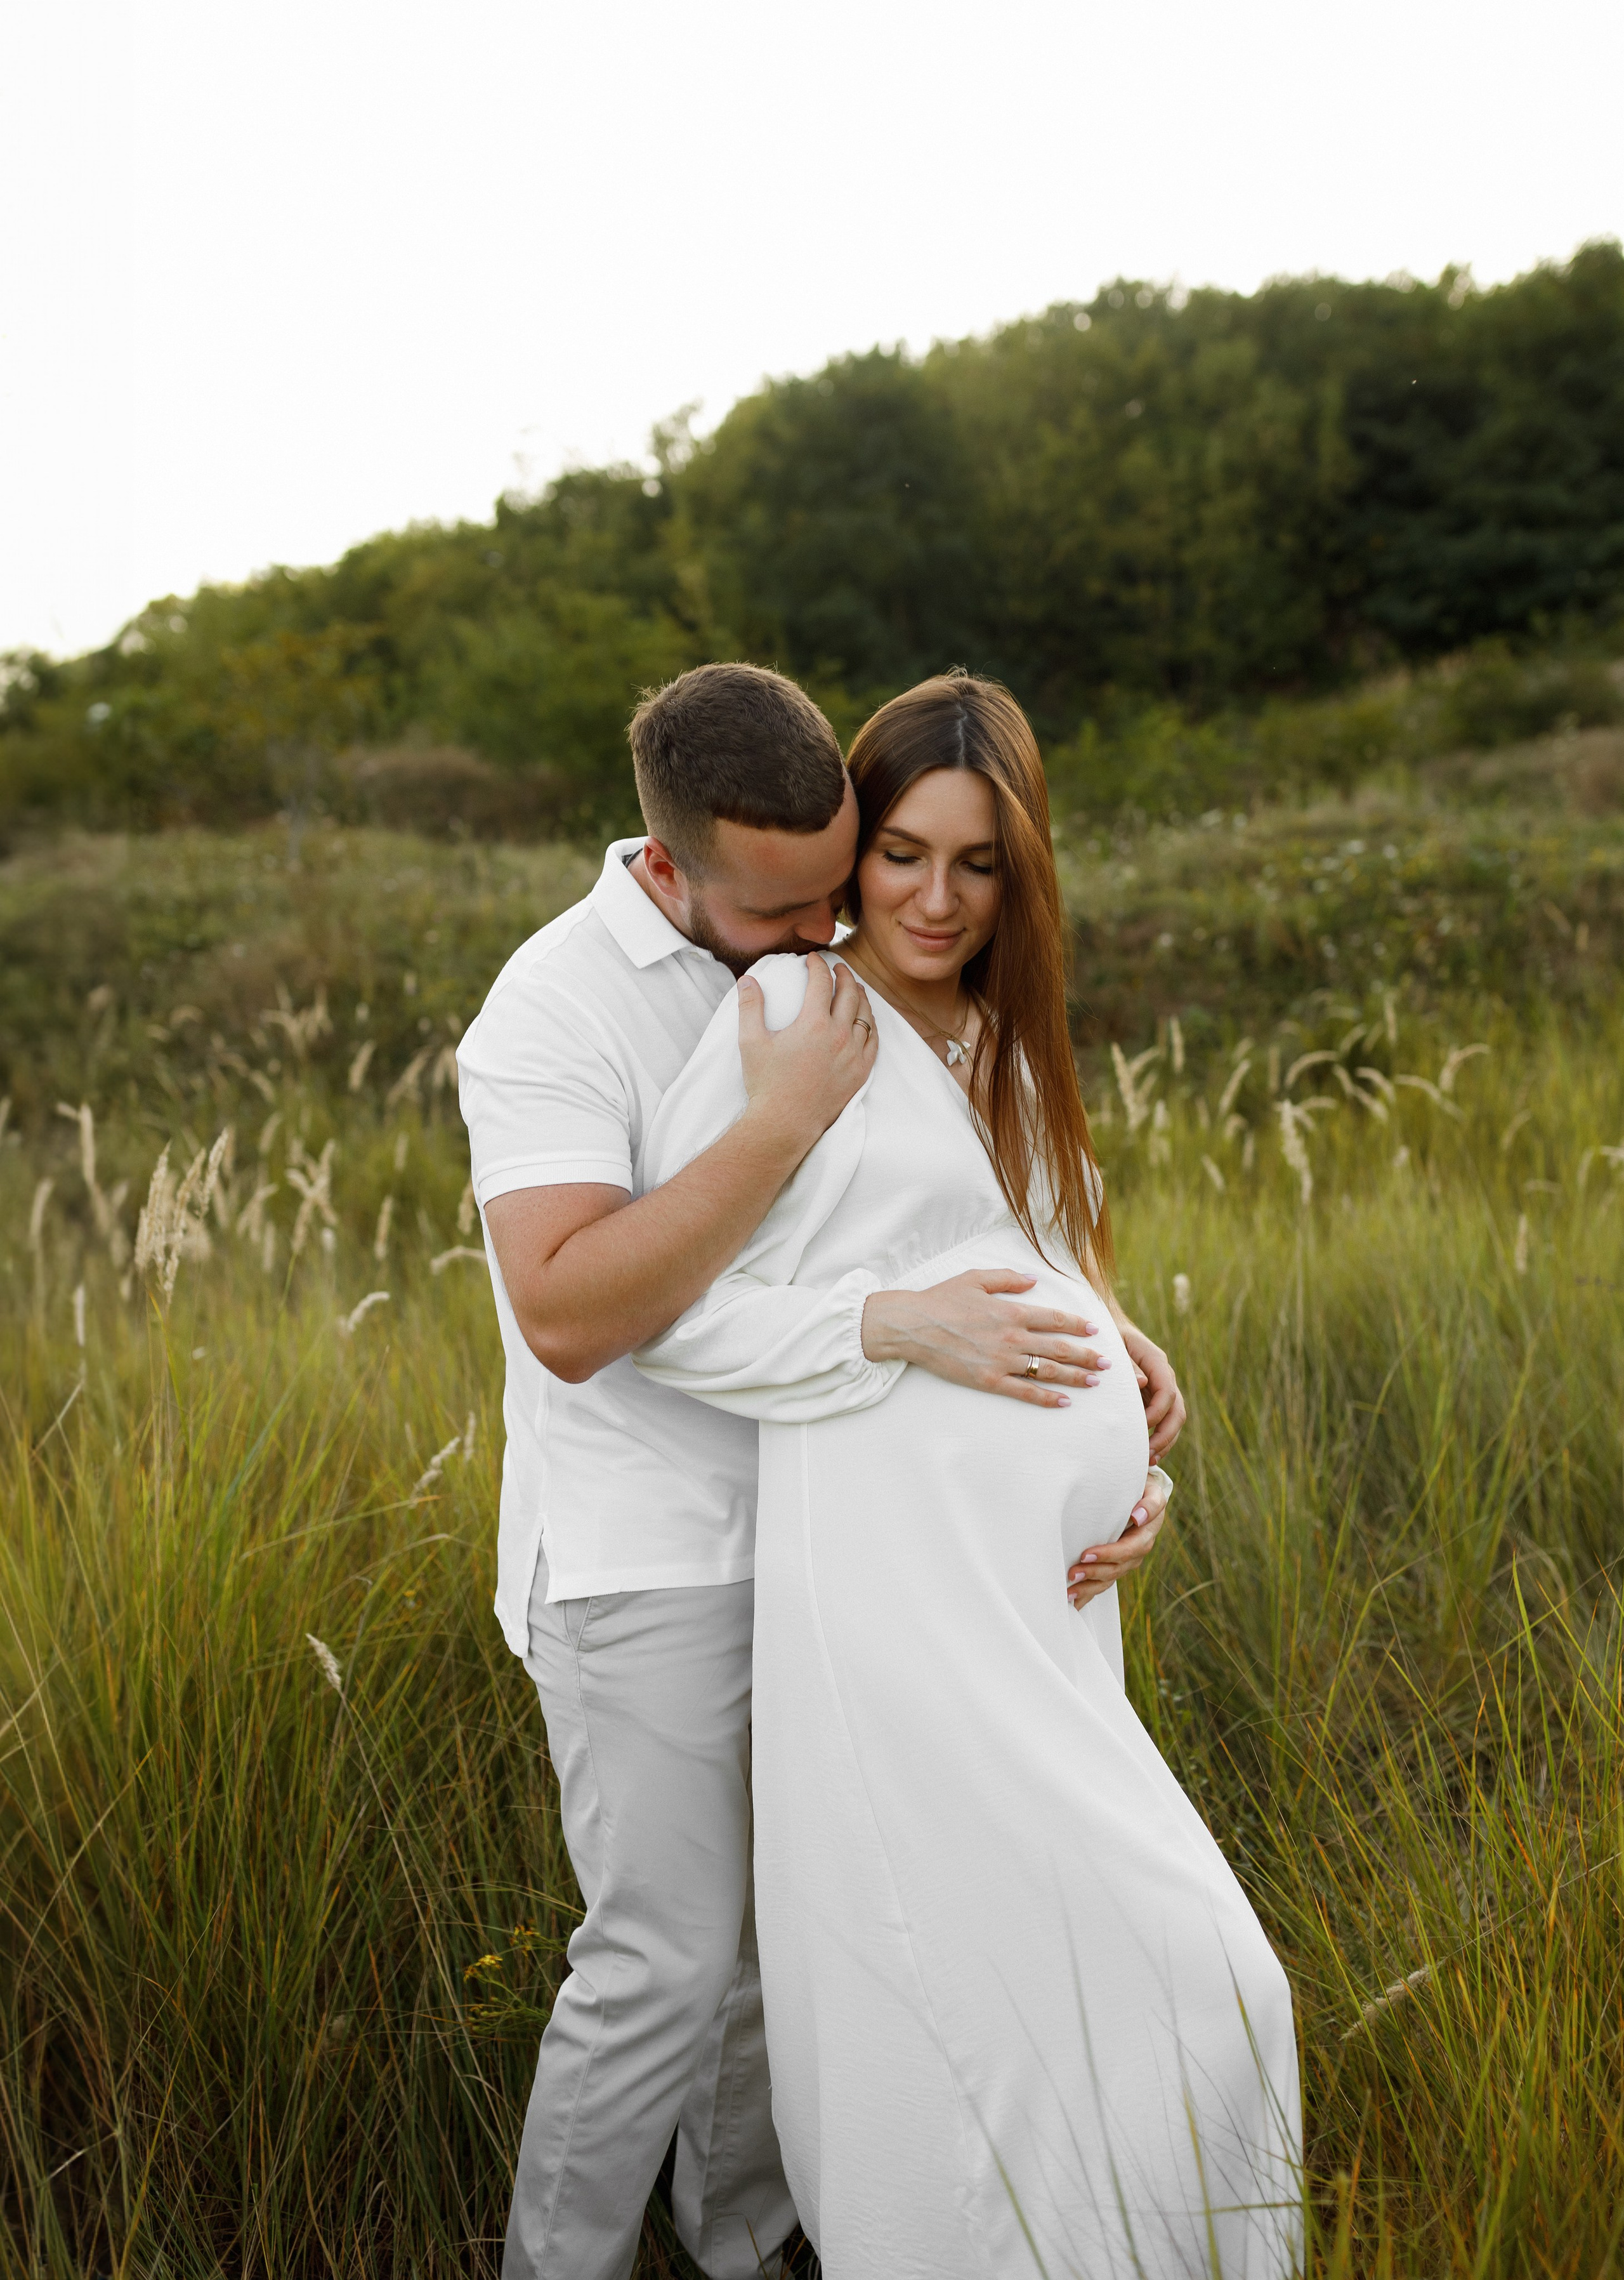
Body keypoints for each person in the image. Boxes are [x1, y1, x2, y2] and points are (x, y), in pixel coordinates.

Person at [457, 662, 1183, 2280]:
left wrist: (1112, 1407)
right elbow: (576, 1315)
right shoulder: (557, 1009)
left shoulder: (858, 980)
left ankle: (743, 2241)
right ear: (670, 871)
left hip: (832, 1541)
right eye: (786, 911)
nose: (823, 937)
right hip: (643, 1551)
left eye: (830, 887)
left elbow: (985, 1238)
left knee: (787, 1955)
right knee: (662, 1957)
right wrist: (780, 1127)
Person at [635, 672, 1302, 2279]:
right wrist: (895, 1330)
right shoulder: (798, 1022)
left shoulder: (1005, 1045)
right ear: (851, 850)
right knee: (1010, 1967)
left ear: (1023, 878)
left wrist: (1132, 1438)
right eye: (904, 855)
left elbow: (1050, 1273)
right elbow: (662, 1316)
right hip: (888, 1595)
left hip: (1043, 1605)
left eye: (979, 865)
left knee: (1149, 1974)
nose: (934, 899)